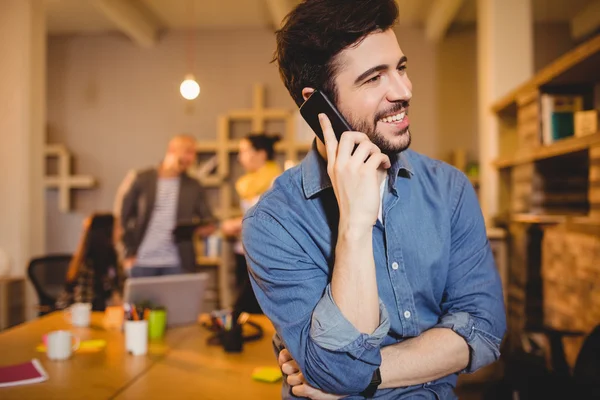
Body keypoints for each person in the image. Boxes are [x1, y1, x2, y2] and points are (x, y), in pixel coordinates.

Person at [241, 1, 507, 399]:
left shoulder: (450, 190)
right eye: (373, 79)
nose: (404, 90)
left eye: (400, 68)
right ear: (318, 106)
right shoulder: (273, 224)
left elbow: (484, 330)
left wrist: (358, 374)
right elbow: (340, 366)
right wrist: (354, 223)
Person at [117, 134, 216, 277]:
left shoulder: (194, 186)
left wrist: (204, 228)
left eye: (194, 153)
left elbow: (208, 219)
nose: (191, 158)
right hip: (141, 262)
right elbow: (124, 219)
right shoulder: (142, 179)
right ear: (171, 150)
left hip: (178, 264)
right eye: (187, 151)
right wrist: (127, 253)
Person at [221, 133, 283, 314]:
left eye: (244, 151)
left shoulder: (277, 181)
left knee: (249, 306)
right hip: (243, 250)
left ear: (261, 154)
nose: (240, 158)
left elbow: (271, 216)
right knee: (246, 309)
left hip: (264, 253)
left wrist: (236, 224)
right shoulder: (247, 182)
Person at [56, 213, 124, 312]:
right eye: (117, 228)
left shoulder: (112, 257)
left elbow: (119, 287)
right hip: (72, 316)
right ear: (106, 232)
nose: (121, 232)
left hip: (101, 314)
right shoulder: (87, 264)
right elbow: (83, 302)